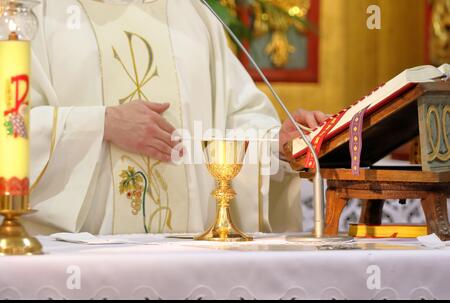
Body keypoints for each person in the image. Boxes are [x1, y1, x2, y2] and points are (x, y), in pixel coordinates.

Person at [26, 0, 327, 235]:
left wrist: (277, 143)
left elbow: (235, 120)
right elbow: (11, 129)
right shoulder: (38, 14)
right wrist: (103, 124)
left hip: (186, 260)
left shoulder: (194, 16)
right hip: (84, 260)